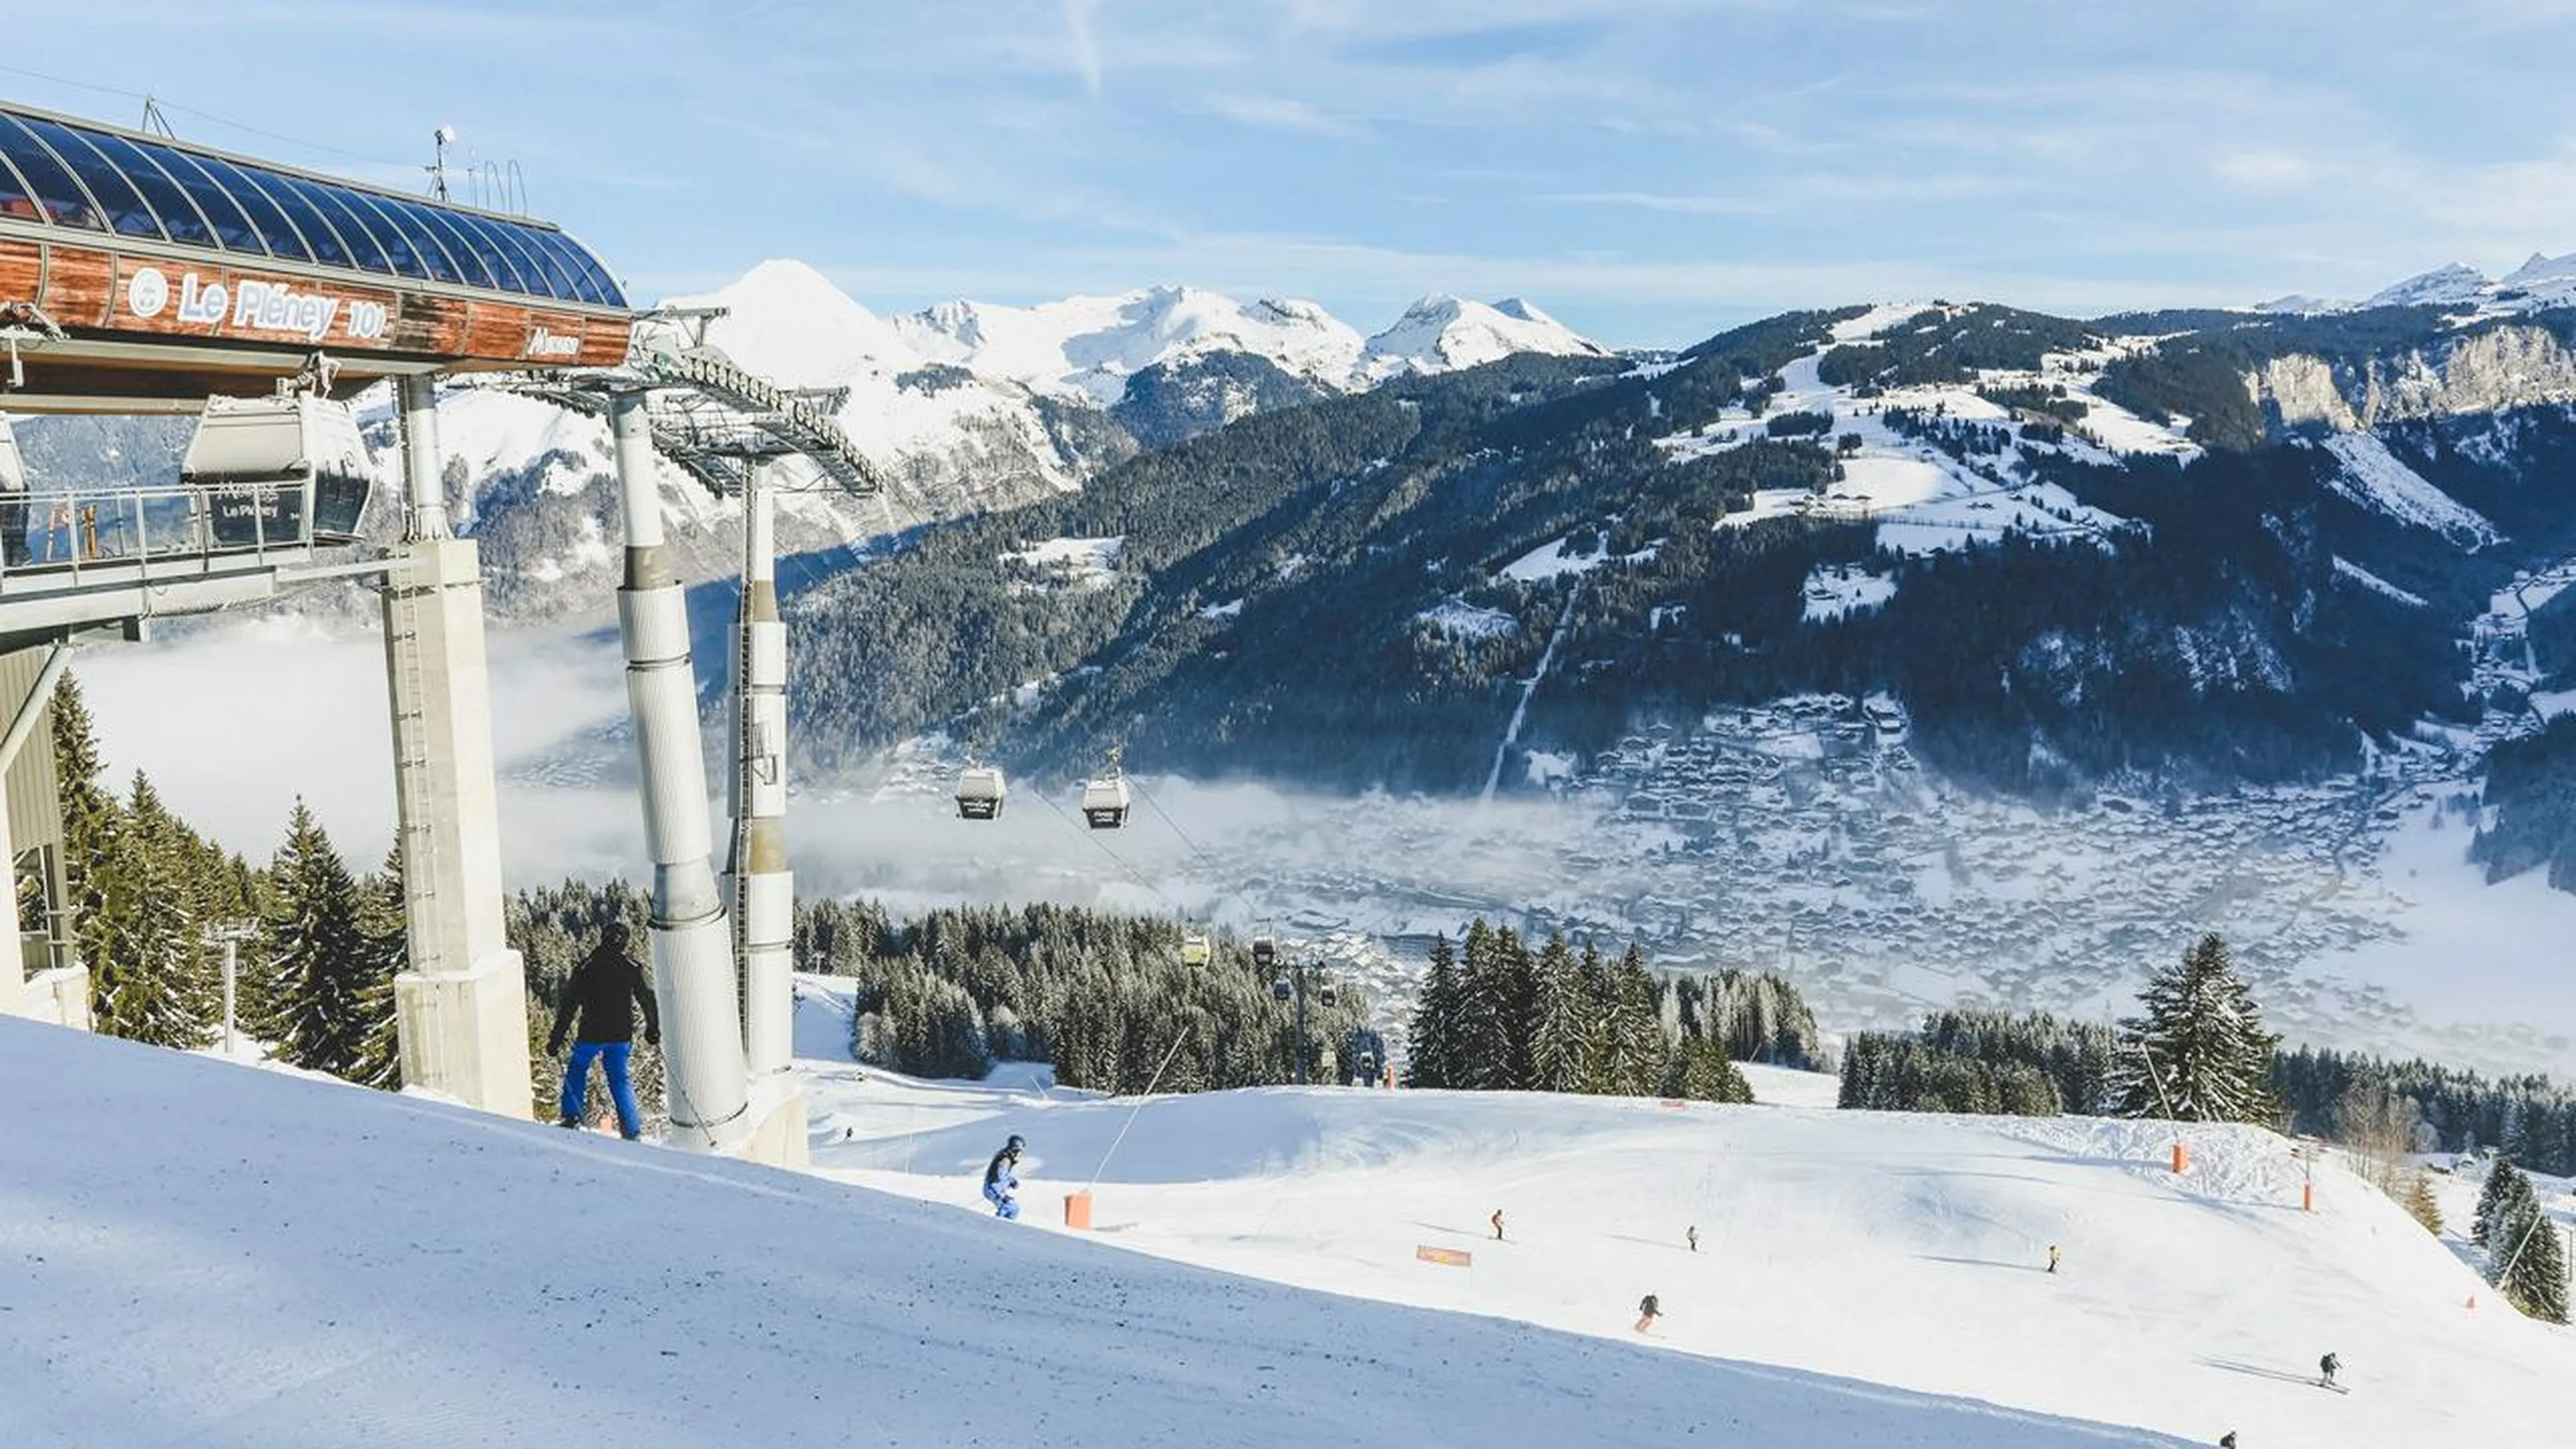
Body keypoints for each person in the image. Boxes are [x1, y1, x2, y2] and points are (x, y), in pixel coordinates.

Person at [547, 920, 659, 1140]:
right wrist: (653, 1029)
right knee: (619, 1079)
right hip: (621, 1035)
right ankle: (632, 1130)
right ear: (624, 942)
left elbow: (569, 1006)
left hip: (591, 1033)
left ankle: (571, 1118)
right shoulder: (632, 967)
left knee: (578, 1068)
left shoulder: (586, 967)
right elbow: (647, 999)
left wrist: (556, 1039)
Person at [983, 1135, 1024, 1219]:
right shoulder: (1005, 1160)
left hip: (994, 1189)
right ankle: (999, 1223)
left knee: (1013, 1208)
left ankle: (1003, 1222)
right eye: (1019, 1153)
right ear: (1015, 1149)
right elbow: (998, 1177)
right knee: (1011, 1208)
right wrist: (1003, 1195)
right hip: (993, 1189)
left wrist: (1012, 1181)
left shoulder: (1005, 1158)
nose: (1019, 1156)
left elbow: (1003, 1175)